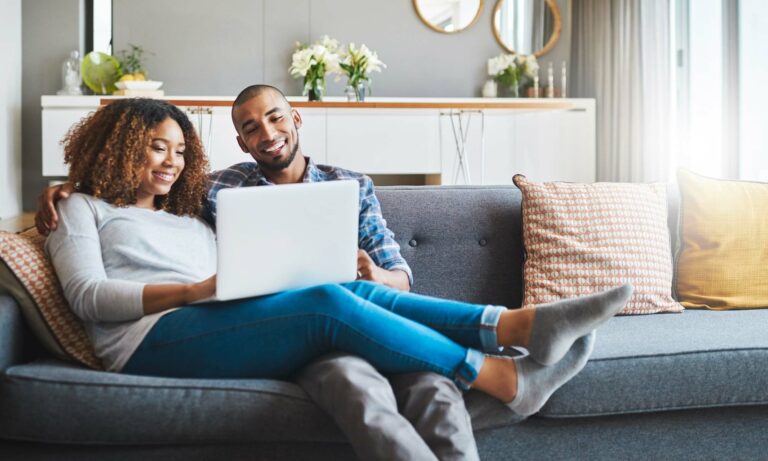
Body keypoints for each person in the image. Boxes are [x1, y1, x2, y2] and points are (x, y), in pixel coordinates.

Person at [43, 97, 633, 458]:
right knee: (327, 299)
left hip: (216, 321)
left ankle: (509, 322)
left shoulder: (191, 209)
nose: (170, 161)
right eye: (154, 148)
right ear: (120, 149)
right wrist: (195, 290)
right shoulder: (81, 209)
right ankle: (499, 372)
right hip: (148, 341)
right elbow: (88, 297)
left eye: (178, 150)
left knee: (343, 289)